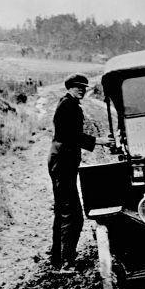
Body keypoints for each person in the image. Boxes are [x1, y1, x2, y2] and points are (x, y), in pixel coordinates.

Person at [48, 73, 112, 272]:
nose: (81, 90)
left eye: (84, 87)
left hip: (60, 160)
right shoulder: (69, 106)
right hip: (63, 162)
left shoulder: (66, 103)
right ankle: (67, 262)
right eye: (77, 87)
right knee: (72, 214)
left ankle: (58, 258)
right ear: (69, 87)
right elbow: (70, 135)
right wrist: (99, 141)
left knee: (62, 210)